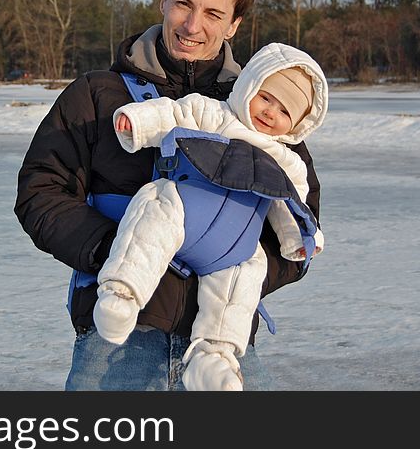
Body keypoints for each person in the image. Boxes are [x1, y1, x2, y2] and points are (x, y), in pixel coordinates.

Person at [15, 0, 322, 390]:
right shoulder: (99, 96)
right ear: (164, 1)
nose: (193, 25)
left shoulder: (263, 113)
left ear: (234, 24)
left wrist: (235, 263)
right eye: (184, 4)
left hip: (221, 349)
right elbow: (41, 193)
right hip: (117, 348)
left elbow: (300, 225)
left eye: (214, 14)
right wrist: (117, 252)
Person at [94, 42, 328, 390]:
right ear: (249, 84)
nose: (269, 112)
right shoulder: (214, 113)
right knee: (152, 208)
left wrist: (301, 240)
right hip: (186, 209)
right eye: (266, 97)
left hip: (234, 242)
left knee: (247, 272)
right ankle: (122, 294)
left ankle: (213, 356)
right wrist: (138, 123)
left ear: (296, 124)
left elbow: (292, 204)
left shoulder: (287, 160)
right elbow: (172, 114)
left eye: (283, 111)